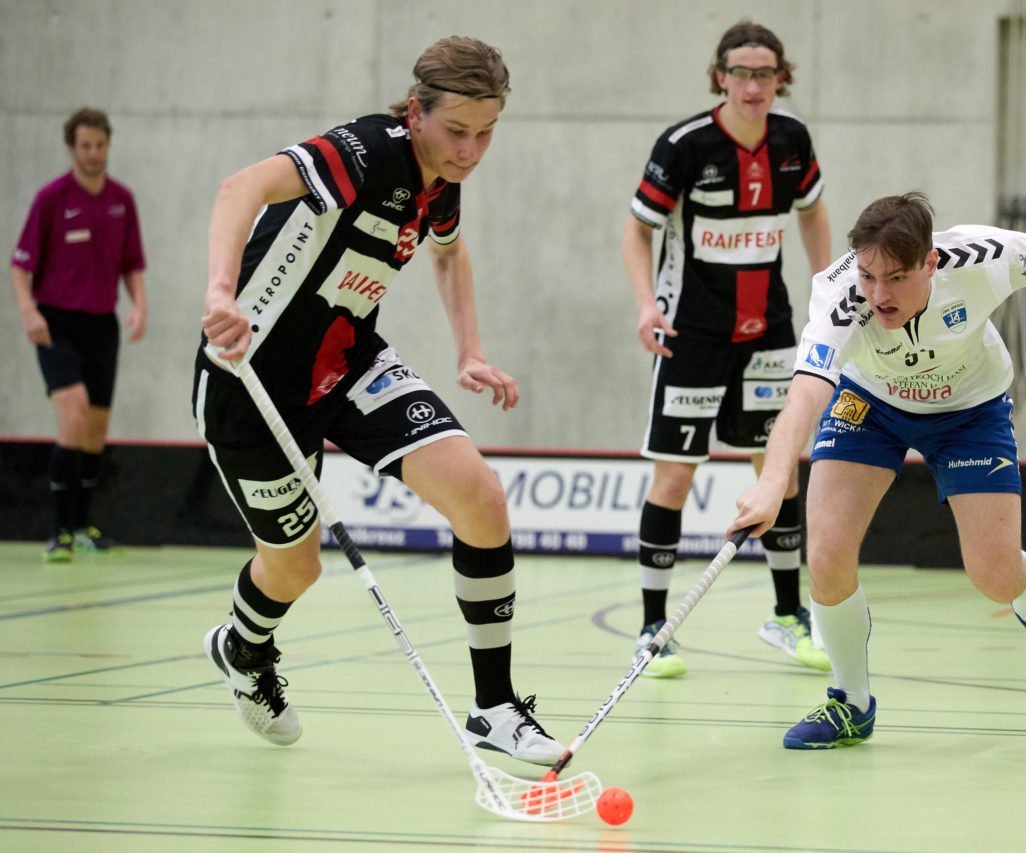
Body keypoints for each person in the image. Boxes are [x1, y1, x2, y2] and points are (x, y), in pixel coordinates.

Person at [731, 191, 1026, 748]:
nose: (878, 295)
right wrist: (771, 482)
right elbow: (808, 391)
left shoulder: (982, 257)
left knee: (993, 573)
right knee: (828, 554)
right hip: (870, 405)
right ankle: (852, 703)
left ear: (931, 262)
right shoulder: (841, 296)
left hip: (969, 412)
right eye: (868, 275)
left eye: (895, 278)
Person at [194, 37, 563, 763]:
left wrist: (469, 350)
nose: (471, 151)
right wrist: (217, 292)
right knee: (296, 567)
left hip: (351, 362)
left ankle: (494, 706)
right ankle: (243, 646)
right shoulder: (363, 151)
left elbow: (450, 252)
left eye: (486, 133)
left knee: (482, 500)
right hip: (255, 383)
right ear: (414, 111)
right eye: (457, 131)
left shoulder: (442, 179)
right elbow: (240, 186)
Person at [622, 20, 833, 677]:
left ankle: (787, 615)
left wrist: (827, 298)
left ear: (780, 78)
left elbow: (814, 215)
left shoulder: (793, 140)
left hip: (768, 330)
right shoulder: (684, 145)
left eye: (764, 73)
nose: (752, 85)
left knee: (777, 469)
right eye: (740, 73)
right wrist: (646, 305)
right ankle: (653, 629)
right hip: (691, 334)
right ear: (721, 76)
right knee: (675, 475)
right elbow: (636, 230)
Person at [10, 108, 147, 563]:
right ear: (72, 148)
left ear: (108, 145)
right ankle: (59, 532)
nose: (93, 154)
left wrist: (140, 306)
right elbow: (20, 264)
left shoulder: (121, 200)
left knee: (95, 428)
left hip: (100, 323)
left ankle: (84, 526)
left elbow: (132, 263)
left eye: (99, 145)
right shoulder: (52, 198)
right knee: (72, 414)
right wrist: (29, 312)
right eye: (84, 146)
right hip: (57, 322)